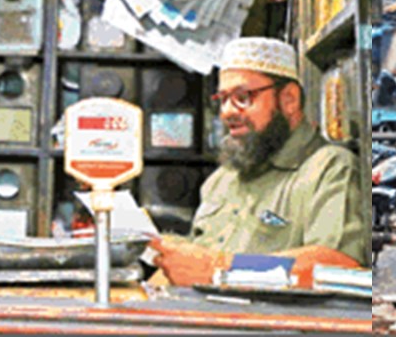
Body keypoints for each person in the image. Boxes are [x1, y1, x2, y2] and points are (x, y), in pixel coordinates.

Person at [150, 37, 365, 287]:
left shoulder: (329, 169)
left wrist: (218, 270)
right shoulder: (223, 179)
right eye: (223, 99)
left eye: (243, 97)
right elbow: (193, 264)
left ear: (289, 99)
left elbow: (337, 266)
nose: (227, 112)